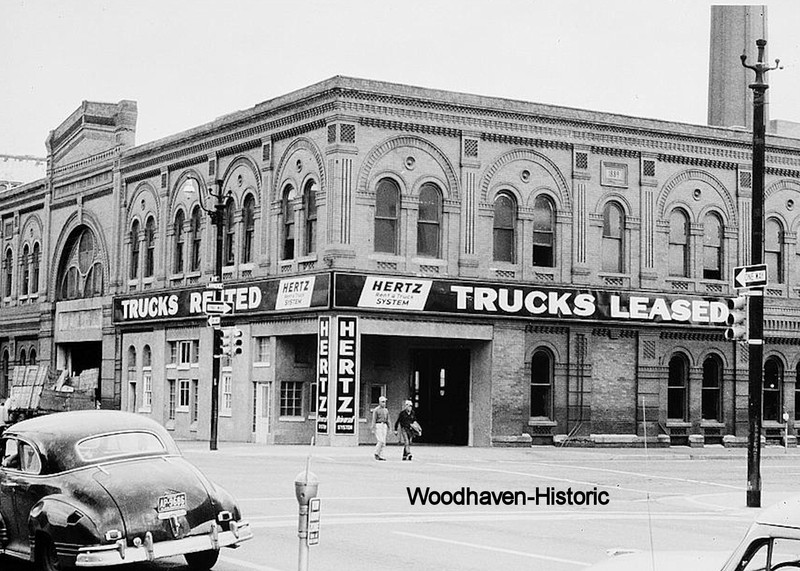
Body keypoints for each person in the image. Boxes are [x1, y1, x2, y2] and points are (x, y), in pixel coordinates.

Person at [370, 396, 391, 461]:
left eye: (385, 402)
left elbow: (388, 420)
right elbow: (374, 419)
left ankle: (381, 455)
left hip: (384, 425)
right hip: (378, 425)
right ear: (379, 402)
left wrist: (390, 428)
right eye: (382, 402)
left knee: (383, 442)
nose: (384, 403)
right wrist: (373, 427)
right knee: (380, 440)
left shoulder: (386, 410)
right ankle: (376, 452)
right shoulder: (376, 410)